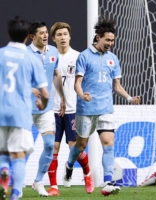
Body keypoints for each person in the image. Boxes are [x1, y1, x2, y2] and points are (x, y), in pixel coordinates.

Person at [65, 17, 140, 196]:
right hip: (86, 109)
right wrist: (82, 94)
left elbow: (116, 86)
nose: (110, 43)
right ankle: (69, 164)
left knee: (108, 143)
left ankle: (107, 182)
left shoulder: (113, 59)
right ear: (97, 37)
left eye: (112, 40)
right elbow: (77, 83)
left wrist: (129, 98)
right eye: (107, 40)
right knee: (81, 146)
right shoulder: (84, 56)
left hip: (106, 108)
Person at [0, 16, 49, 200]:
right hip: (20, 113)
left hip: (0, 111)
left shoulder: (1, 54)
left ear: (8, 34)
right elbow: (45, 94)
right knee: (18, 155)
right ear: (28, 37)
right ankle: (15, 193)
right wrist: (42, 104)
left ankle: (3, 170)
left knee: (2, 152)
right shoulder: (31, 59)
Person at [47, 22, 90, 196]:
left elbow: (86, 82)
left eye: (65, 34)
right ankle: (53, 186)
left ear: (70, 36)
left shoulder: (79, 57)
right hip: (52, 110)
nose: (63, 37)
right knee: (52, 147)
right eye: (59, 35)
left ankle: (87, 174)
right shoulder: (49, 57)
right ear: (53, 38)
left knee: (76, 147)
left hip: (74, 109)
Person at [28, 20, 66, 197]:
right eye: (41, 33)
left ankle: (38, 181)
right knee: (21, 147)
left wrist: (62, 98)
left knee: (50, 145)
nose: (45, 36)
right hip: (25, 108)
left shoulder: (52, 52)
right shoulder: (25, 54)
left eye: (45, 32)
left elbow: (56, 75)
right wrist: (32, 89)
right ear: (31, 36)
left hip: (46, 108)